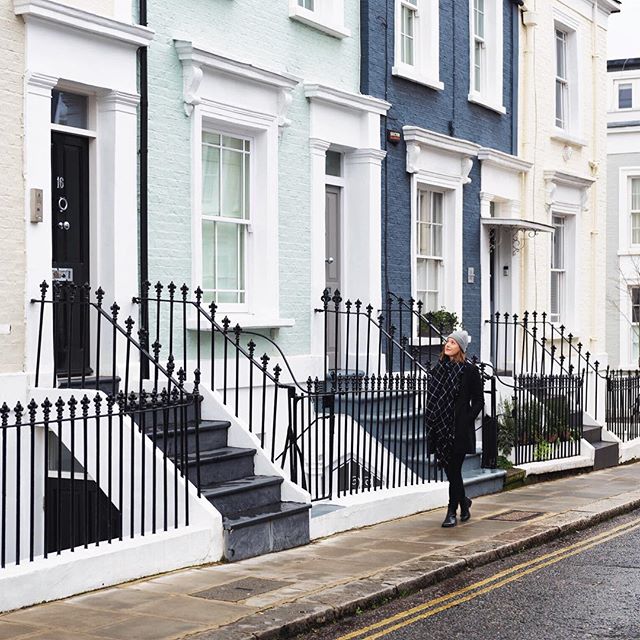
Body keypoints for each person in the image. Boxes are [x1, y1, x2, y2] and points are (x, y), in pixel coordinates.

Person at [424, 330, 484, 528]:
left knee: (454, 469)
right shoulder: (438, 369)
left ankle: (452, 511)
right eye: (447, 341)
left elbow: (478, 401)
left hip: (458, 429)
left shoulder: (470, 371)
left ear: (461, 348)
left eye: (453, 342)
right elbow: (432, 398)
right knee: (451, 471)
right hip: (440, 427)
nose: (448, 345)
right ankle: (464, 503)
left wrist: (466, 420)